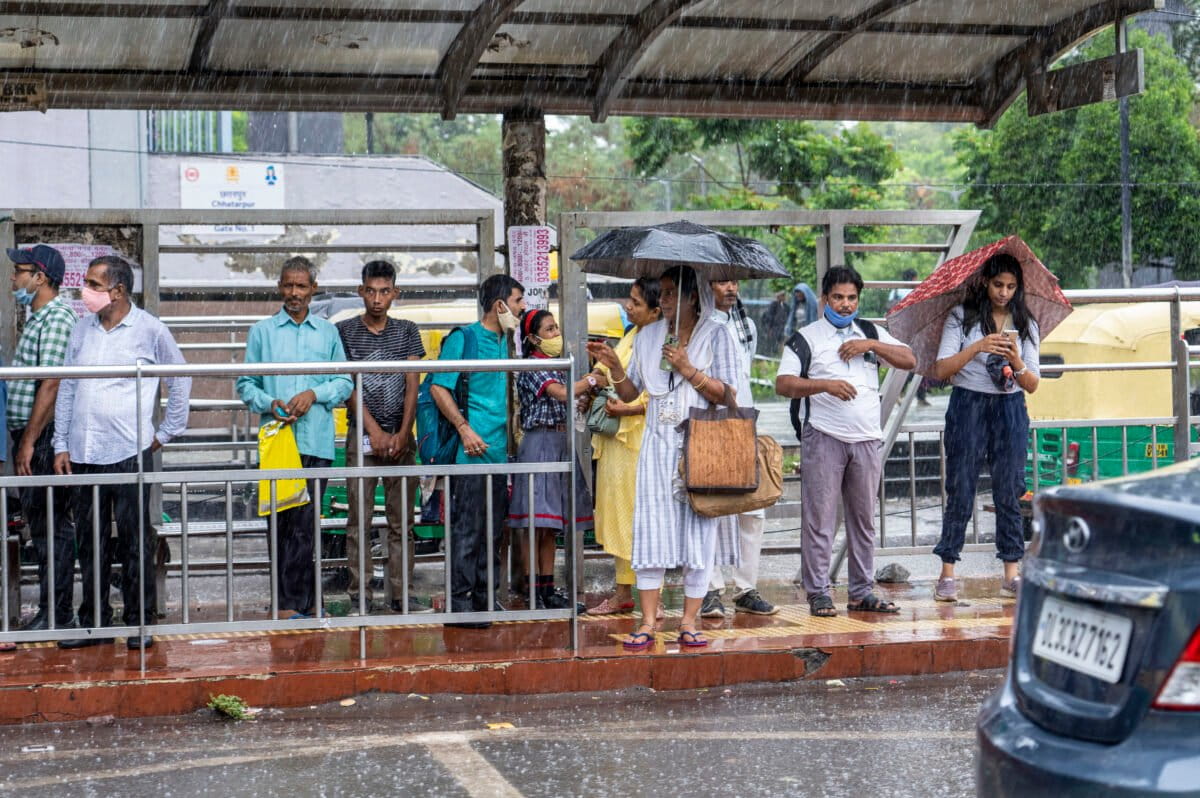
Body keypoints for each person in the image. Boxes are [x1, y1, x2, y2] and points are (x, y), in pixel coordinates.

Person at [587, 265, 740, 650]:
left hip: (700, 445)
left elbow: (731, 396)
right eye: (664, 293)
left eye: (671, 293)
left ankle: (690, 621)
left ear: (693, 296)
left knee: (698, 534)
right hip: (655, 448)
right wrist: (617, 367)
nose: (665, 300)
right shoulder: (648, 336)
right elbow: (630, 392)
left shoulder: (718, 333)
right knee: (651, 532)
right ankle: (649, 620)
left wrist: (690, 370)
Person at [53, 255, 191, 650]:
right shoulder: (82, 329)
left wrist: (166, 432)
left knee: (134, 540)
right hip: (84, 450)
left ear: (117, 290)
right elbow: (68, 386)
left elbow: (179, 379)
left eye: (94, 285)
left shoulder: (149, 330)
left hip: (129, 450)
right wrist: (61, 442)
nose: (87, 292)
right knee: (90, 540)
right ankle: (95, 621)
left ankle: (139, 621)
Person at [775, 266, 915, 618]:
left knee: (864, 519)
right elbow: (783, 383)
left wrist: (871, 344)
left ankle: (861, 591)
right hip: (823, 436)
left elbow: (910, 360)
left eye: (852, 297)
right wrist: (824, 385)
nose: (845, 303)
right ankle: (819, 592)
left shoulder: (870, 332)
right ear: (825, 299)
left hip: (867, 438)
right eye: (838, 297)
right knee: (819, 519)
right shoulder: (806, 338)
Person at [237, 257, 353, 619]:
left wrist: (314, 394)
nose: (294, 293)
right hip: (278, 444)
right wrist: (269, 402)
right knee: (281, 526)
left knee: (305, 527)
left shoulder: (327, 332)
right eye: (288, 285)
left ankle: (298, 604)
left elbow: (345, 380)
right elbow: (245, 384)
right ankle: (291, 605)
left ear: (313, 288)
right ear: (279, 287)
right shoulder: (262, 332)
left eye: (301, 286)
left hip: (316, 441)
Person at [930, 253, 1039, 601]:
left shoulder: (1026, 323)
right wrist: (979, 346)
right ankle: (947, 571)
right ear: (984, 283)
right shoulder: (962, 317)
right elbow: (941, 370)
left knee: (1009, 489)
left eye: (1010, 286)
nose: (1003, 293)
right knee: (960, 486)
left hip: (1009, 408)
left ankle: (1011, 571)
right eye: (997, 285)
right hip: (968, 405)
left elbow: (1033, 383)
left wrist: (1016, 359)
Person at [430, 274, 525, 629]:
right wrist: (463, 428)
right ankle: (460, 605)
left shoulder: (507, 342)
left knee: (493, 532)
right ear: (499, 305)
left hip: (498, 453)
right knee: (467, 530)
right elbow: (440, 387)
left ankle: (486, 600)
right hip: (468, 452)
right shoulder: (464, 339)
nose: (522, 308)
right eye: (517, 302)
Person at [336, 260, 428, 614]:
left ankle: (400, 595)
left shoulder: (407, 330)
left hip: (401, 436)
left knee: (401, 521)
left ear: (395, 293)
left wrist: (404, 432)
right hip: (362, 436)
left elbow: (412, 381)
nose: (377, 299)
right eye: (371, 291)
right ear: (361, 291)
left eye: (384, 291)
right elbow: (348, 384)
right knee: (358, 521)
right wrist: (373, 430)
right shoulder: (344, 331)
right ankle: (360, 596)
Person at [507, 308, 599, 611]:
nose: (555, 334)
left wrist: (586, 396)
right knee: (536, 523)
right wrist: (593, 380)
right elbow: (561, 394)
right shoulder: (533, 366)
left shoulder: (557, 365)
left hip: (560, 441)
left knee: (549, 526)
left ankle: (546, 588)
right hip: (540, 443)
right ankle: (533, 587)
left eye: (556, 327)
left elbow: (571, 401)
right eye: (549, 330)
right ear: (533, 338)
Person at [6, 245, 77, 631]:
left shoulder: (55, 318)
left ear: (40, 277)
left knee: (52, 526)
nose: (14, 279)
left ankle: (58, 613)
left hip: (43, 436)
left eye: (20, 271)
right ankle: (53, 610)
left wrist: (30, 441)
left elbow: (51, 384)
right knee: (42, 526)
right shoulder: (36, 317)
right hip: (30, 434)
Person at [702, 280, 778, 617]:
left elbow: (742, 378)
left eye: (734, 281)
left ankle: (746, 586)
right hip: (708, 425)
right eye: (722, 281)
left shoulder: (745, 324)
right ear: (706, 286)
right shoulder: (699, 325)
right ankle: (709, 588)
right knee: (711, 507)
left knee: (752, 507)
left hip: (744, 422)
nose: (730, 288)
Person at [585, 277, 660, 616]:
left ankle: (649, 597)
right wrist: (598, 375)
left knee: (641, 519)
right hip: (617, 443)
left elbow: (661, 395)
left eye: (637, 303)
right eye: (630, 300)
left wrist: (628, 407)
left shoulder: (662, 343)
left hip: (640, 442)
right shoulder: (633, 335)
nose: (629, 307)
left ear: (657, 310)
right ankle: (624, 592)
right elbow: (607, 375)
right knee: (617, 516)